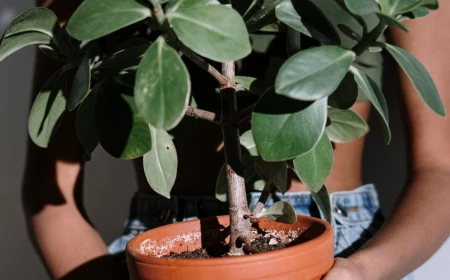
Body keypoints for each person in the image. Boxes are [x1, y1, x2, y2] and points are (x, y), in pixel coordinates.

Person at [21, 0, 450, 279]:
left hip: (344, 250)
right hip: (167, 248)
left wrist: (363, 272)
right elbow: (50, 193)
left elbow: (441, 169)